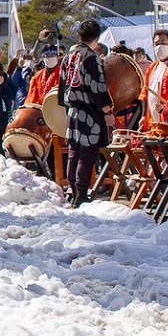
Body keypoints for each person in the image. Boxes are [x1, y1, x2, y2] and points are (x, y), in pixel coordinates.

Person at [58, 19, 113, 207]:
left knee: (74, 152)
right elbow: (97, 87)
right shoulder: (90, 57)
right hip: (88, 111)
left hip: (72, 109)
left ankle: (73, 190)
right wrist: (107, 109)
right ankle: (80, 193)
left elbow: (62, 84)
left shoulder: (68, 56)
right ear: (96, 39)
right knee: (87, 153)